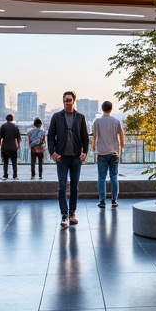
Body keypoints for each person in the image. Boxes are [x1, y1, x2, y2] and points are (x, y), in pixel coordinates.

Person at [48, 91, 89, 228]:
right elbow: (50, 136)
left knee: (74, 187)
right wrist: (52, 152)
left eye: (70, 100)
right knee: (61, 187)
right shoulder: (56, 117)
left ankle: (72, 213)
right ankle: (64, 214)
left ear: (74, 101)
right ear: (63, 101)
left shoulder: (81, 118)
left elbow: (85, 137)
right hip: (62, 158)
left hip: (76, 158)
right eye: (65, 100)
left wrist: (85, 152)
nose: (67, 102)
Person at [92, 100, 124, 208]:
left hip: (102, 152)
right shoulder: (116, 121)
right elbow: (121, 133)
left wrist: (93, 149)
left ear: (102, 108)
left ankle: (102, 201)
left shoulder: (97, 121)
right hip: (114, 152)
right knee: (114, 177)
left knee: (101, 177)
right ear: (111, 109)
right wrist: (122, 146)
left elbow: (95, 136)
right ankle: (114, 201)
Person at [0, 113, 21, 180]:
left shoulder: (3, 126)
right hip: (13, 147)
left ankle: (5, 175)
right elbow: (18, 137)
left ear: (6, 119)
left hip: (5, 147)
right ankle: (15, 175)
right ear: (12, 119)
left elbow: (0, 136)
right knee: (14, 162)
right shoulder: (15, 126)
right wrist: (18, 145)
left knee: (5, 162)